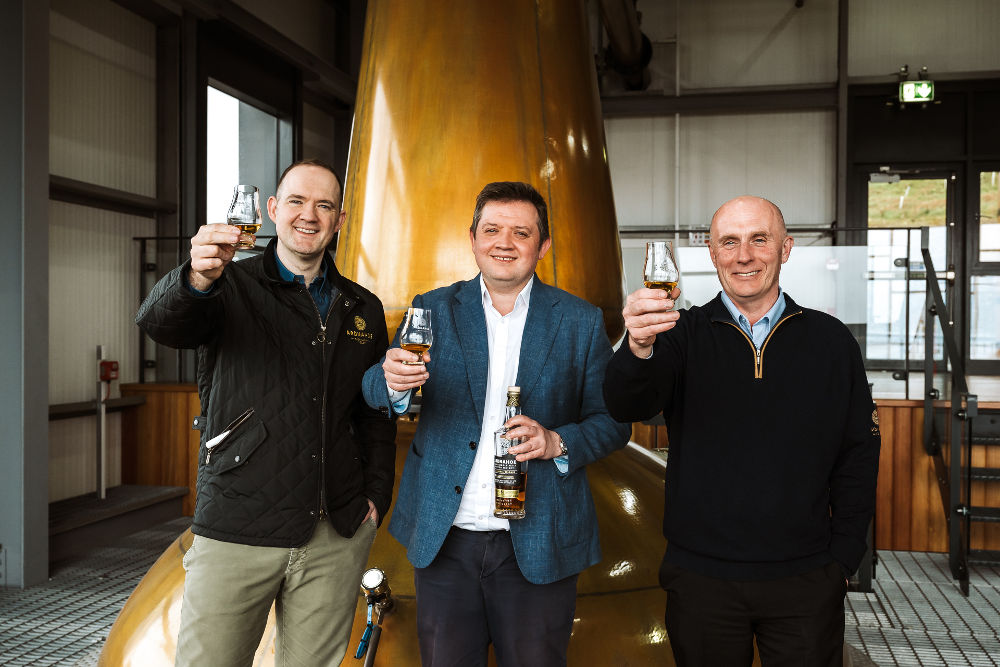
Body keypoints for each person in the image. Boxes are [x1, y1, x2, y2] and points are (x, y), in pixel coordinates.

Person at [135, 159, 396, 666]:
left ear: (340, 220)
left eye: (325, 205)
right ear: (273, 210)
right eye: (296, 201)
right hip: (238, 522)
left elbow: (373, 414)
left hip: (333, 533)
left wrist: (375, 499)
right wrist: (194, 276)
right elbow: (161, 324)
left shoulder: (361, 307)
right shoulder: (227, 284)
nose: (309, 215)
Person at [602, 195, 880, 666]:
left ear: (785, 248)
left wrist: (842, 558)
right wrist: (636, 346)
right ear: (712, 254)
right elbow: (626, 404)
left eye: (759, 239)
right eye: (728, 242)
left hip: (806, 577)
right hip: (701, 579)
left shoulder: (831, 342)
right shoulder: (678, 334)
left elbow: (858, 452)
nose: (743, 255)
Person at [361, 181, 630, 666]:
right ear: (472, 238)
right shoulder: (433, 308)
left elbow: (613, 422)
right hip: (446, 539)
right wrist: (394, 382)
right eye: (492, 230)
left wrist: (556, 441)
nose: (504, 243)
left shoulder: (579, 320)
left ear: (542, 245)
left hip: (539, 540)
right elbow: (377, 392)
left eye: (521, 232)